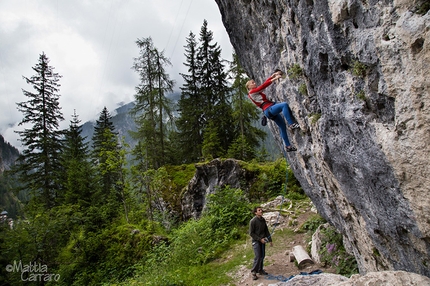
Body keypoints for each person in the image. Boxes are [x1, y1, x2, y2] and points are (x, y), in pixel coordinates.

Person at [246, 70, 300, 152]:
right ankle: (291, 124)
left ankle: (288, 146)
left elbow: (263, 85)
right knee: (284, 105)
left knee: (282, 126)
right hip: (268, 109)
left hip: (268, 112)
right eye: (252, 83)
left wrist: (272, 76)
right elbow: (263, 86)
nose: (254, 83)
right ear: (249, 87)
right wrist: (275, 78)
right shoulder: (252, 92)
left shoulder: (254, 92)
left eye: (254, 82)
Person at [249, 206, 272, 280]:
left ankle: (260, 270)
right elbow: (251, 233)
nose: (261, 211)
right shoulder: (253, 221)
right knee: (258, 256)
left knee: (262, 255)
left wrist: (270, 240)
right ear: (256, 213)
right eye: (259, 210)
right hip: (256, 241)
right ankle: (253, 272)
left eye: (261, 210)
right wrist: (259, 239)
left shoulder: (263, 220)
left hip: (263, 240)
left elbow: (266, 230)